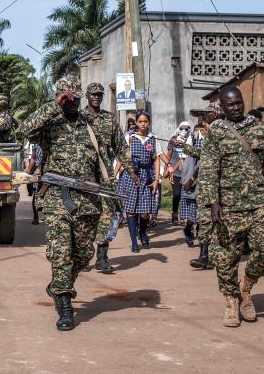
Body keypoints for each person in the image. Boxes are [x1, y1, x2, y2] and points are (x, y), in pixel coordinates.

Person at [19, 76, 104, 331]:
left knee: (83, 253)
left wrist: (106, 196)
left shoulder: (91, 125)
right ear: (60, 96)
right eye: (67, 97)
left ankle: (57, 284)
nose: (72, 102)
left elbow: (102, 161)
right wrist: (54, 105)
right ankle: (65, 305)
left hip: (87, 199)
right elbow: (24, 129)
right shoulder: (50, 125)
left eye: (75, 98)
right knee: (61, 251)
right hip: (57, 196)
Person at [198, 85, 264, 328]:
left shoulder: (258, 127)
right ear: (222, 107)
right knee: (226, 258)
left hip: (257, 204)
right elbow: (208, 170)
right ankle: (231, 302)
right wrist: (212, 202)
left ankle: (245, 290)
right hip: (227, 207)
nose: (236, 107)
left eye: (238, 103)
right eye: (230, 104)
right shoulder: (216, 131)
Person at [82, 82, 138, 274]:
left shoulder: (109, 119)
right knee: (84, 216)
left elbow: (121, 147)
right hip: (83, 175)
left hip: (106, 176)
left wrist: (131, 170)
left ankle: (102, 258)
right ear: (87, 95)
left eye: (99, 94)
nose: (96, 97)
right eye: (93, 94)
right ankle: (81, 256)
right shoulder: (79, 118)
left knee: (107, 216)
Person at [176, 102, 224, 269]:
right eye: (206, 118)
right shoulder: (210, 136)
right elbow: (205, 159)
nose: (205, 122)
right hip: (204, 187)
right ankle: (204, 255)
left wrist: (186, 148)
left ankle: (218, 255)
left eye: (209, 117)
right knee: (204, 221)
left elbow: (207, 155)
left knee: (219, 222)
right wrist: (193, 178)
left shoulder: (224, 134)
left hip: (221, 187)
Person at [118, 111, 163, 252]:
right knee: (130, 211)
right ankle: (133, 242)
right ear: (136, 122)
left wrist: (156, 179)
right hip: (131, 175)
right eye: (140, 121)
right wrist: (115, 174)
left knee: (145, 212)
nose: (143, 124)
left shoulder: (153, 138)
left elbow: (156, 158)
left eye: (146, 121)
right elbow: (123, 157)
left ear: (149, 122)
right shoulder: (129, 137)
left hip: (147, 176)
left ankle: (142, 232)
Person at [177, 123, 204, 249]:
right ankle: (188, 230)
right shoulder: (192, 140)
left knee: (202, 214)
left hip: (204, 181)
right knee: (191, 215)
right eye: (199, 130)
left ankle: (200, 235)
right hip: (191, 178)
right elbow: (184, 159)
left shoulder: (212, 140)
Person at [164, 121, 192, 226]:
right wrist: (166, 169)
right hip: (174, 172)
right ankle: (175, 212)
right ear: (178, 129)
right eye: (182, 128)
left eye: (186, 128)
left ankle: (184, 216)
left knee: (185, 195)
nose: (184, 131)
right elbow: (169, 155)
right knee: (177, 194)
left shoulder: (191, 140)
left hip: (187, 172)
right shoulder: (173, 140)